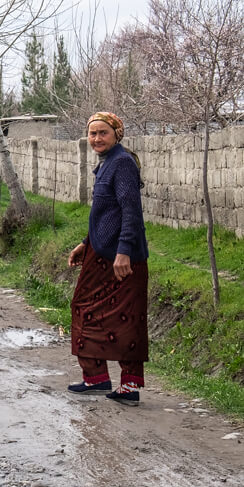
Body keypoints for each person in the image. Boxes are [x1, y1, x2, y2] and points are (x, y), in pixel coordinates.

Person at [66, 111, 149, 406]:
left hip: (122, 258)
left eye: (103, 133)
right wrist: (84, 243)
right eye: (92, 133)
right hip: (99, 253)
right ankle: (96, 378)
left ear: (117, 134)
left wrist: (124, 251)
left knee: (128, 318)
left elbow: (130, 211)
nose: (97, 138)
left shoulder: (123, 163)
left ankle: (129, 387)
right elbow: (105, 216)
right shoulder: (106, 164)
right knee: (84, 307)